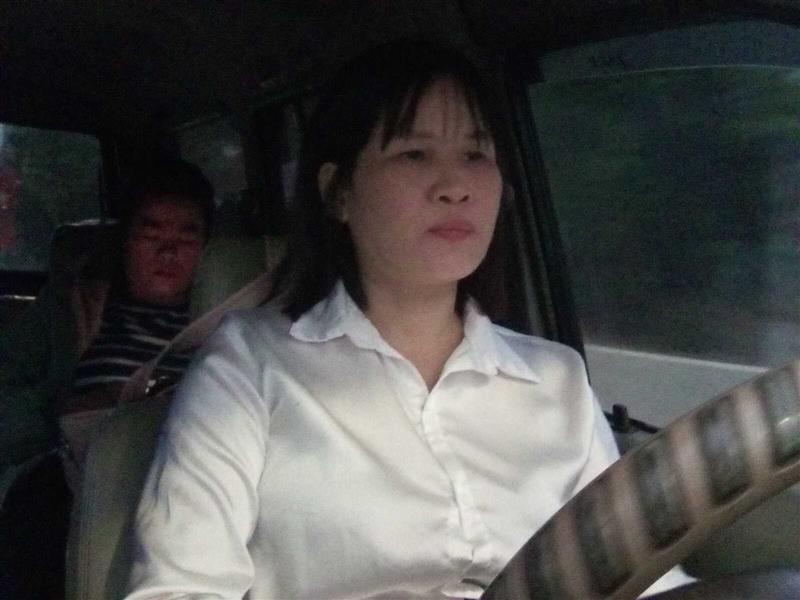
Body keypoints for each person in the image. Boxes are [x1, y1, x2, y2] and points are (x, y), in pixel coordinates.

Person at [125, 42, 693, 599]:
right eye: (415, 154)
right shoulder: (249, 365)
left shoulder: (557, 379)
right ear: (338, 192)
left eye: (475, 155)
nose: (455, 187)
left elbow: (643, 575)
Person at [0, 157, 214, 599]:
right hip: (72, 483)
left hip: (194, 475)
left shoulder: (227, 323)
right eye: (151, 233)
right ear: (125, 241)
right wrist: (67, 396)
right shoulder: (66, 312)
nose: (168, 252)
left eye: (186, 236)